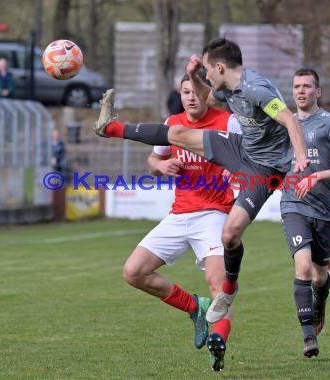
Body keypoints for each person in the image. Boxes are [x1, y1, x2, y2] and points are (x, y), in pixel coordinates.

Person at [92, 37, 310, 328]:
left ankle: (239, 291)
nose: (206, 74)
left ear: (219, 66)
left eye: (207, 69)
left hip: (266, 166)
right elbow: (206, 95)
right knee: (178, 133)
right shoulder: (227, 87)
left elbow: (289, 119)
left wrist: (300, 155)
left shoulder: (256, 88)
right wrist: (193, 74)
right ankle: (111, 127)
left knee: (236, 234)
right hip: (240, 150)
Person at [122, 73, 241, 371]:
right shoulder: (171, 122)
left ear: (206, 93)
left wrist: (238, 170)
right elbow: (153, 161)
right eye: (185, 91)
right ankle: (193, 307)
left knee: (218, 285)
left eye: (196, 92)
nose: (191, 97)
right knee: (134, 272)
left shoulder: (227, 122)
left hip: (214, 215)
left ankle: (219, 340)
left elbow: (252, 156)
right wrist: (160, 165)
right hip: (178, 215)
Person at [280, 68, 330, 358]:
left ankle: (320, 300)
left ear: (318, 92)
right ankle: (309, 337)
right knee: (302, 268)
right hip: (293, 206)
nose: (301, 91)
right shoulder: (283, 124)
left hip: (324, 210)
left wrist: (318, 176)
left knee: (319, 274)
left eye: (307, 86)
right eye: (296, 86)